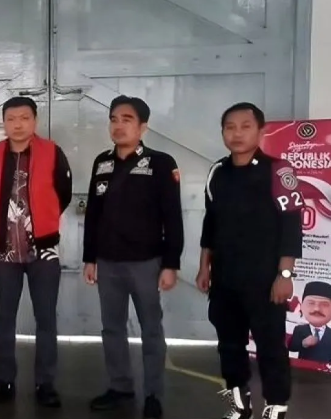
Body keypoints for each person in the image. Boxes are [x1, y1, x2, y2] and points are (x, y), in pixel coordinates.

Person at [195, 102, 302, 419]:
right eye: (230, 127)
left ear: (260, 131)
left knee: (270, 347)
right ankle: (240, 406)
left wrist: (285, 274)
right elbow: (210, 223)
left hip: (265, 279)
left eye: (245, 126)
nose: (237, 133)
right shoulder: (217, 172)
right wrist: (204, 267)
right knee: (229, 345)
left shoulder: (278, 170)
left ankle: (276, 406)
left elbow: (291, 225)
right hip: (225, 278)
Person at [83, 95, 184, 419]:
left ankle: (153, 394)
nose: (118, 125)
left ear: (143, 127)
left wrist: (171, 263)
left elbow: (173, 217)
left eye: (127, 119)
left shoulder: (161, 163)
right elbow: (93, 215)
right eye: (114, 119)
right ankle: (120, 386)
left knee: (151, 329)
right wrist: (89, 258)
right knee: (112, 328)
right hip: (108, 262)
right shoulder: (102, 162)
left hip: (146, 263)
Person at [0, 97, 72, 408]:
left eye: (24, 118)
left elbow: (63, 194)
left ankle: (46, 383)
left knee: (46, 317)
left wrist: (42, 223)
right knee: (4, 318)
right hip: (3, 253)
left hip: (44, 251)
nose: (17, 124)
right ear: (4, 122)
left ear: (35, 121)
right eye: (11, 118)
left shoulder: (52, 153)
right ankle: (3, 380)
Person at [288, 281, 331, 363]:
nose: (317, 309)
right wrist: (303, 343)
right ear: (302, 306)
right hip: (303, 369)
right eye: (311, 303)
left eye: (324, 304)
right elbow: (292, 347)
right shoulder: (299, 329)